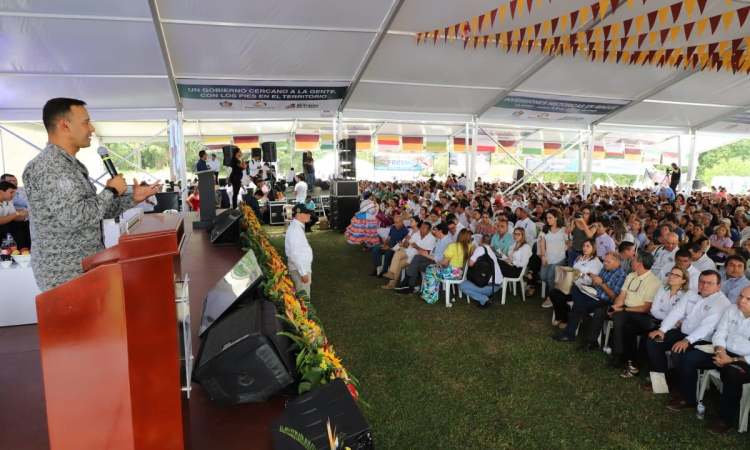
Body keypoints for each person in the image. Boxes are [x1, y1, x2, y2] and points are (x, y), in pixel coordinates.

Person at [23, 98, 160, 291]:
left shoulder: (70, 165)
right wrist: (110, 190)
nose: (92, 129)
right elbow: (75, 218)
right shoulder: (48, 166)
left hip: (86, 265)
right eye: (86, 122)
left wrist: (133, 199)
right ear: (65, 125)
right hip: (65, 273)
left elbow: (95, 211)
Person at [644, 271, 730, 409]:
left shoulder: (721, 302)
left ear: (719, 286)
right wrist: (663, 329)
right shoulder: (692, 293)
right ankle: (663, 379)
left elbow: (707, 327)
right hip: (683, 332)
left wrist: (687, 341)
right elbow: (677, 312)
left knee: (678, 353)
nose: (704, 285)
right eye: (702, 281)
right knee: (654, 341)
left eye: (709, 283)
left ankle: (687, 396)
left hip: (702, 340)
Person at [615, 265, 690, 378]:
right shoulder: (663, 289)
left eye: (676, 275)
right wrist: (669, 319)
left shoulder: (686, 295)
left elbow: (682, 318)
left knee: (647, 335)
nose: (672, 277)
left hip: (671, 328)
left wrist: (669, 321)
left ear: (683, 280)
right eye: (671, 274)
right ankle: (631, 360)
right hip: (654, 321)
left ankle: (635, 366)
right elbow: (654, 310)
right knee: (628, 328)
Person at [553, 252, 626, 349]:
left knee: (578, 305)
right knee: (575, 288)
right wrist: (594, 281)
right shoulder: (605, 269)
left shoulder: (621, 275)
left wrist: (602, 283)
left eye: (608, 262)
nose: (605, 263)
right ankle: (580, 312)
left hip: (604, 301)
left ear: (617, 263)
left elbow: (614, 297)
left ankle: (569, 334)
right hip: (594, 294)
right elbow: (596, 284)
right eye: (605, 261)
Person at [709, 286, 750, 434]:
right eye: (741, 296)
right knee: (690, 356)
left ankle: (725, 420)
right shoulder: (732, 309)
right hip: (725, 352)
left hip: (746, 361)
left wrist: (731, 360)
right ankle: (686, 398)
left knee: (731, 373)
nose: (741, 301)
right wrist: (720, 351)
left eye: (748, 299)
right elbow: (720, 332)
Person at [549, 239, 603, 328]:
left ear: (593, 248)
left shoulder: (596, 263)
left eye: (587, 246)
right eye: (583, 246)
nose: (584, 248)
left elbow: (592, 281)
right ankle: (560, 316)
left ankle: (565, 319)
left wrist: (581, 274)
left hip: (582, 289)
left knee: (559, 296)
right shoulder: (580, 258)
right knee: (553, 293)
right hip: (570, 284)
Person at [395, 222, 452, 294]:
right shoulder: (440, 240)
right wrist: (425, 253)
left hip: (440, 264)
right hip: (433, 259)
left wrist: (427, 255)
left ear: (440, 231)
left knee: (416, 263)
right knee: (417, 258)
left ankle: (409, 284)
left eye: (435, 230)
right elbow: (434, 254)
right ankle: (409, 284)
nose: (434, 232)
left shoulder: (447, 242)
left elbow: (440, 259)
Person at [420, 229, 472, 304]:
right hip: (460, 273)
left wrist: (435, 265)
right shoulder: (470, 246)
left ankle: (430, 297)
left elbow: (445, 261)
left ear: (459, 236)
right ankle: (431, 294)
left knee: (430, 270)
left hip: (451, 273)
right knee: (434, 270)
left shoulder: (453, 246)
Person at [381, 221, 436, 290]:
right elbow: (406, 246)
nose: (421, 228)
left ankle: (391, 284)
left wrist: (417, 247)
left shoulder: (431, 239)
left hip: (414, 258)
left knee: (399, 265)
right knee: (397, 253)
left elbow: (427, 253)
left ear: (428, 230)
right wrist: (406, 240)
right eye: (421, 226)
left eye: (424, 228)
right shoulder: (417, 234)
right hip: (408, 251)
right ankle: (391, 273)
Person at [460, 234, 504, 308]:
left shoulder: (480, 249)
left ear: (480, 241)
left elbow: (470, 264)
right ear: (490, 243)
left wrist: (471, 253)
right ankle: (485, 295)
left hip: (489, 286)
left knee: (463, 285)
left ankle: (484, 299)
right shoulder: (491, 251)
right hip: (496, 285)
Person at [536, 209, 568, 303]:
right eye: (547, 218)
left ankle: (550, 297)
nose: (548, 220)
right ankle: (555, 290)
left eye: (550, 218)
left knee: (550, 277)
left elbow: (568, 243)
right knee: (543, 277)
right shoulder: (545, 229)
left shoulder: (563, 230)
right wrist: (543, 256)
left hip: (559, 258)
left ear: (556, 218)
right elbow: (542, 243)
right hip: (547, 257)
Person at [285, 204, 314, 297]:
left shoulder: (297, 227)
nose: (309, 215)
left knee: (304, 296)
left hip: (301, 267)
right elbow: (295, 254)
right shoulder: (295, 230)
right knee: (304, 299)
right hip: (299, 268)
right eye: (306, 213)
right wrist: (303, 272)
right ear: (298, 214)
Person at [0, 181, 31, 249]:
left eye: (14, 192)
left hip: (5, 225)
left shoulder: (8, 200)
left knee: (25, 224)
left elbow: (13, 217)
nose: (14, 195)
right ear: (1, 192)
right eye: (11, 192)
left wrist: (26, 217)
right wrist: (17, 213)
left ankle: (24, 250)